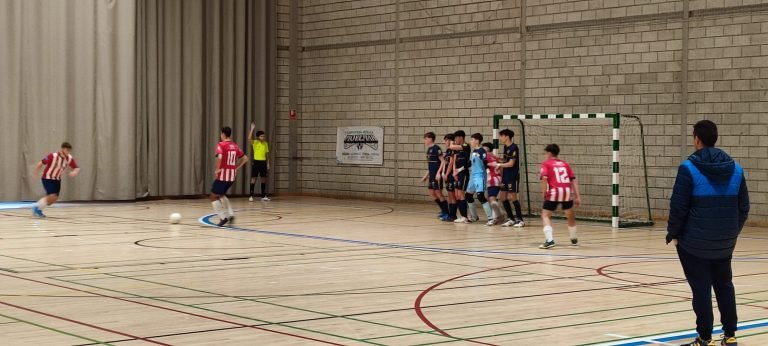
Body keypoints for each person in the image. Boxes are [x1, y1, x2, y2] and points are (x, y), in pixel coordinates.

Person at [667, 120, 749, 346]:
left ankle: (704, 338)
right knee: (725, 286)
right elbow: (743, 207)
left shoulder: (688, 168)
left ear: (696, 139)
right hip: (725, 242)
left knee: (701, 289)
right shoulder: (737, 169)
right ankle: (730, 337)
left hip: (694, 244)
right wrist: (732, 232)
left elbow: (678, 206)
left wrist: (673, 234)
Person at [538, 144, 581, 249]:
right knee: (569, 214)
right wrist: (578, 196)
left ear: (549, 153)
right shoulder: (565, 164)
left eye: (545, 153)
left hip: (554, 191)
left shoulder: (546, 163)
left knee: (545, 215)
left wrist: (544, 191)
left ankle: (550, 240)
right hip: (567, 191)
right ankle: (573, 238)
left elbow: (544, 178)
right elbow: (573, 180)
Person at [210, 127, 249, 227]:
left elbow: (220, 157)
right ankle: (230, 215)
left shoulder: (221, 145)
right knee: (221, 195)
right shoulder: (235, 146)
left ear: (223, 134)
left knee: (213, 196)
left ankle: (223, 218)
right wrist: (237, 167)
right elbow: (245, 158)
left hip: (223, 176)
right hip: (232, 176)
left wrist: (218, 169)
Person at [31, 142, 80, 217]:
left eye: (69, 150)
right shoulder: (53, 156)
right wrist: (35, 172)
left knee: (53, 199)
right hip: (47, 178)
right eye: (67, 150)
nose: (68, 152)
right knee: (52, 195)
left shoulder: (69, 158)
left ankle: (38, 207)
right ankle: (36, 208)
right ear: (63, 149)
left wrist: (74, 172)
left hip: (57, 179)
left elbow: (76, 167)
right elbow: (41, 163)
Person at [498, 129, 525, 227]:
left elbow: (511, 163)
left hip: (512, 176)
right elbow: (506, 160)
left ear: (507, 136)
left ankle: (520, 220)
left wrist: (498, 164)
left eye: (501, 136)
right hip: (505, 176)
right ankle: (511, 218)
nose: (500, 138)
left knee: (513, 197)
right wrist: (497, 159)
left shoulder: (514, 147)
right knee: (503, 197)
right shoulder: (505, 147)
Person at [464, 133, 492, 224]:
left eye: (472, 139)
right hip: (473, 176)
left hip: (480, 176)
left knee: (480, 196)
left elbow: (485, 162)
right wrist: (459, 169)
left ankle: (491, 218)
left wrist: (488, 174)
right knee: (468, 196)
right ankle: (474, 217)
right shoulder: (473, 152)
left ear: (477, 140)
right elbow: (470, 163)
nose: (470, 141)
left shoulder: (481, 151)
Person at [450, 130, 477, 223]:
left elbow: (451, 146)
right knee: (457, 195)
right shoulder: (456, 149)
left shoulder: (466, 146)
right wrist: (454, 172)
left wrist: (450, 143)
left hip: (464, 173)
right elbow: (454, 160)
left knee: (461, 194)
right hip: (457, 173)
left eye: (456, 138)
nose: (455, 140)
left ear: (461, 137)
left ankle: (465, 217)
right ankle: (462, 216)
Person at [421, 132, 449, 221]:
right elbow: (431, 165)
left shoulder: (436, 148)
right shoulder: (428, 150)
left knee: (438, 193)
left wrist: (439, 173)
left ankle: (446, 212)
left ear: (430, 138)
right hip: (432, 175)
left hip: (437, 175)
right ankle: (443, 210)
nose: (424, 141)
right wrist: (426, 176)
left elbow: (443, 161)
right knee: (432, 193)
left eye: (425, 139)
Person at [482, 142, 504, 226]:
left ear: (487, 149)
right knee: (489, 197)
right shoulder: (494, 156)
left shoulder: (485, 156)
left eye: (483, 148)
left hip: (492, 179)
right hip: (498, 179)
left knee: (492, 199)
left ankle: (500, 214)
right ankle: (497, 216)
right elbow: (501, 166)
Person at [248, 123, 270, 202]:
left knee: (263, 179)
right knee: (253, 178)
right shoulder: (255, 142)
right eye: (261, 136)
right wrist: (252, 129)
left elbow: (267, 154)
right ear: (258, 137)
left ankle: (263, 196)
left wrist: (268, 163)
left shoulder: (265, 143)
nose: (263, 137)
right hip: (256, 162)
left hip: (263, 162)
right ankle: (251, 195)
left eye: (263, 136)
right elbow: (249, 138)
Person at [438, 133, 458, 222]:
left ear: (450, 140)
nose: (444, 142)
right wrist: (442, 172)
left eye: (446, 140)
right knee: (449, 196)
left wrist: (446, 174)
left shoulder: (452, 150)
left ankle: (453, 215)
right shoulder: (448, 150)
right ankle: (450, 214)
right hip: (447, 175)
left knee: (452, 195)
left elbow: (451, 163)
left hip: (450, 176)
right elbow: (445, 163)